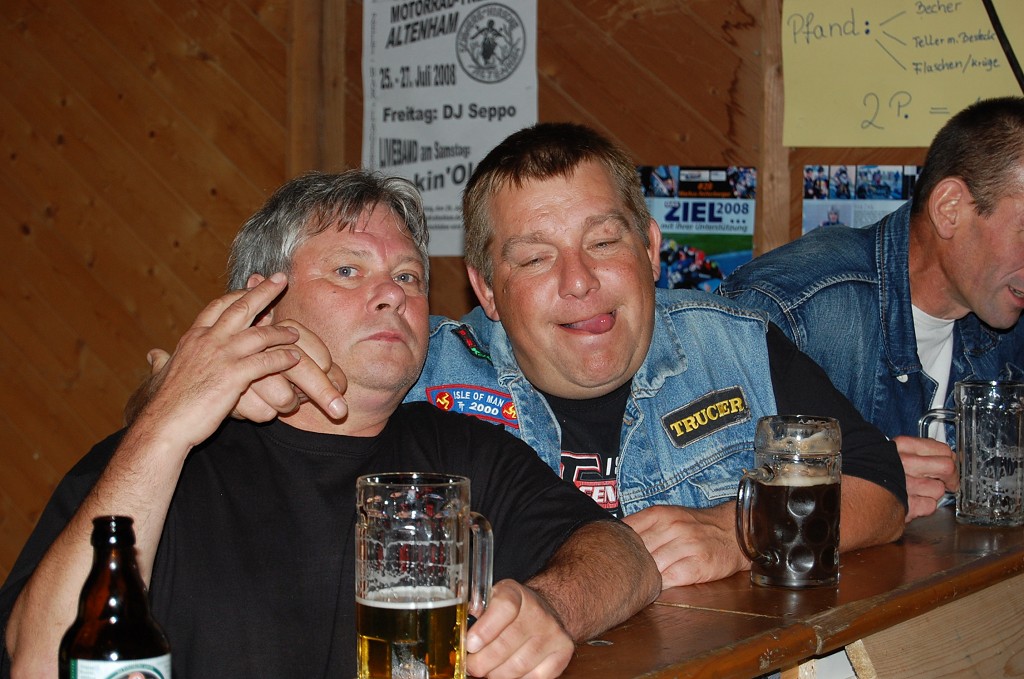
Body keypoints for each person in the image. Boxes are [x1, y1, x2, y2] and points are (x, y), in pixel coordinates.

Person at [139, 123, 908, 590]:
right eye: (536, 258)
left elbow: (881, 486)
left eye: (603, 241)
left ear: (650, 248)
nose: (580, 281)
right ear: (486, 287)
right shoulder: (422, 365)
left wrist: (739, 531)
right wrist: (206, 387)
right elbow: (198, 397)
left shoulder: (732, 343)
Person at [0, 171, 660, 678]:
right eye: (348, 270)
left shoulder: (462, 447)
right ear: (259, 304)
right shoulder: (162, 462)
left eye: (409, 276)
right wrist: (166, 419)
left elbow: (624, 556)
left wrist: (552, 606)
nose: (394, 293)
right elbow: (38, 660)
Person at [720, 96, 1024, 522]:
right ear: (950, 209)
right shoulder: (791, 307)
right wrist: (858, 487)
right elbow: (694, 487)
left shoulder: (1005, 312)